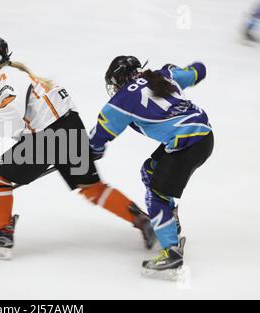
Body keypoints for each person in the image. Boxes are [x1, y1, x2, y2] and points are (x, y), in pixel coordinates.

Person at [0, 36, 155, 260]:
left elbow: (10, 119)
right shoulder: (8, 83)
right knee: (92, 187)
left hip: (49, 134)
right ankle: (144, 221)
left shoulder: (6, 76)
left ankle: (2, 235)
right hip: (69, 127)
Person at [89, 56, 214, 279]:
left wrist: (92, 152)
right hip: (203, 136)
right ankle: (169, 221)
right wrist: (191, 70)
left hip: (186, 143)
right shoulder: (162, 74)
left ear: (119, 79)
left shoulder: (122, 100)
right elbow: (199, 71)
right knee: (150, 171)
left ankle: (171, 255)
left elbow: (98, 138)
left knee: (157, 193)